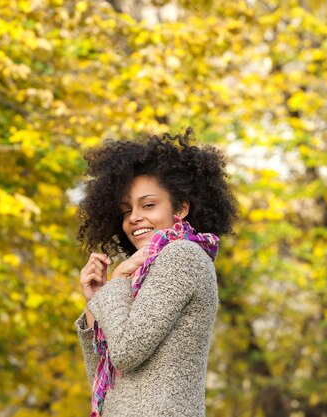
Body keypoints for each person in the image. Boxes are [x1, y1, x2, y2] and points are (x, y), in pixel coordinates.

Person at [74, 128, 236, 417]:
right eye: (126, 210)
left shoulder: (182, 256)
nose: (134, 217)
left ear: (181, 208)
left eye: (148, 205)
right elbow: (106, 386)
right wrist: (95, 302)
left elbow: (126, 352)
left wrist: (120, 277)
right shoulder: (145, 274)